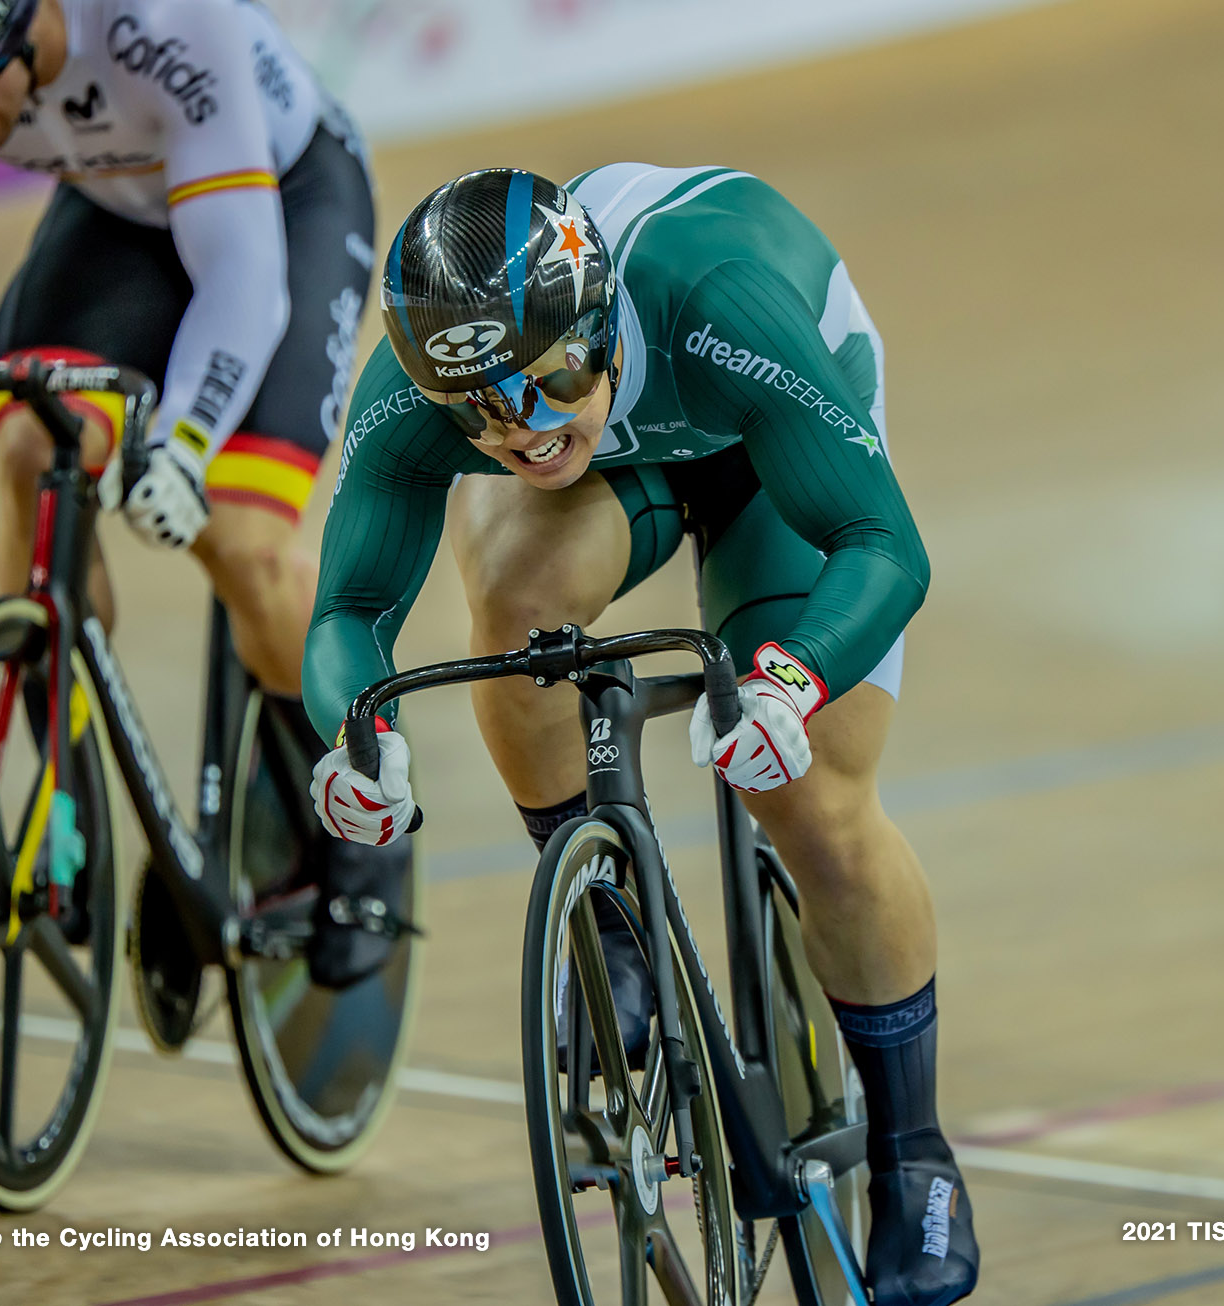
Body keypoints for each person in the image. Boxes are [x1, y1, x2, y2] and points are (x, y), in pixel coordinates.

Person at [304, 165, 978, 1304]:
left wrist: (791, 682)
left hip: (768, 432)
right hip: (629, 457)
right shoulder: (433, 377)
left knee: (816, 807)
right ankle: (610, 930)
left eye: (551, 379)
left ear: (600, 317)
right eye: (482, 411)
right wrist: (356, 737)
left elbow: (884, 546)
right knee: (518, 614)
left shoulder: (719, 304)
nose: (523, 428)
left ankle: (913, 1154)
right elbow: (348, 613)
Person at [0, 0, 400, 989]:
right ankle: (63, 796)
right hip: (120, 210)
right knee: (32, 440)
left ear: (24, 25)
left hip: (282, 200)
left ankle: (360, 801)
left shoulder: (168, 23)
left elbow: (243, 277)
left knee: (238, 537)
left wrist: (186, 445)